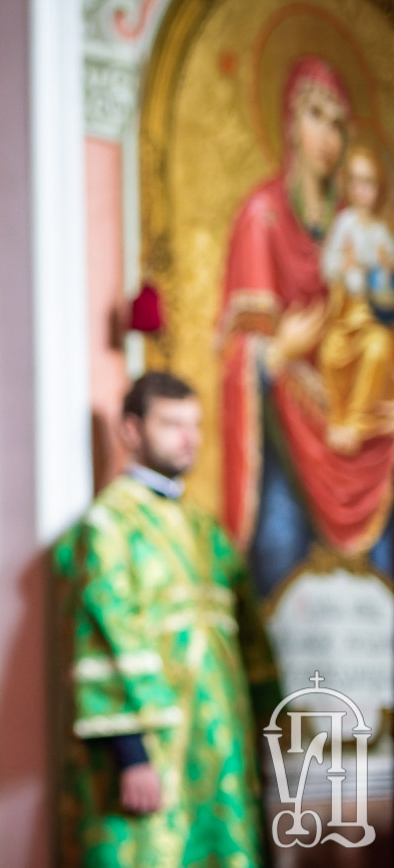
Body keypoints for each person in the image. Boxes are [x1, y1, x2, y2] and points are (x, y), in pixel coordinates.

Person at [54, 372, 280, 868]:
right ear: (131, 430)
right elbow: (103, 640)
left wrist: (272, 732)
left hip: (222, 751)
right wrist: (132, 756)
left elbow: (251, 644)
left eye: (194, 425)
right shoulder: (111, 524)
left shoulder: (206, 530)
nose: (189, 438)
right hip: (158, 756)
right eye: (172, 424)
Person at [221, 55, 394, 594]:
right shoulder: (263, 217)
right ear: (290, 121)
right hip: (289, 435)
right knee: (280, 552)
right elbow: (235, 353)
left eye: (339, 123)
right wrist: (277, 352)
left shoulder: (352, 230)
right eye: (316, 115)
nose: (328, 137)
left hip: (360, 433)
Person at [317, 145, 394, 454]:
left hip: (373, 317)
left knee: (377, 350)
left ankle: (357, 421)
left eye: (369, 182)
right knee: (330, 354)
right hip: (347, 316)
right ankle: (338, 417)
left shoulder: (381, 233)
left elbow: (387, 277)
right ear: (348, 185)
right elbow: (329, 265)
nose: (363, 190)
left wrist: (384, 268)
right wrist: (346, 267)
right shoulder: (345, 224)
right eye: (357, 181)